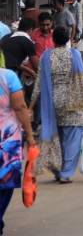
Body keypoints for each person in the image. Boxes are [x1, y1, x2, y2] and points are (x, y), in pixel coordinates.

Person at [31, 26, 83, 184]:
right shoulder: (74, 55)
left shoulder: (46, 57)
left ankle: (57, 170)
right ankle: (65, 173)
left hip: (53, 101)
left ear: (53, 40)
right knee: (73, 138)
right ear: (68, 39)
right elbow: (82, 82)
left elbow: (39, 84)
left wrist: (30, 106)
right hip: (73, 101)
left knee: (56, 138)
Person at [0, 63, 35, 230]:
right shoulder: (8, 77)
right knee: (5, 183)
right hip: (7, 141)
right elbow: (20, 107)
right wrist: (29, 134)